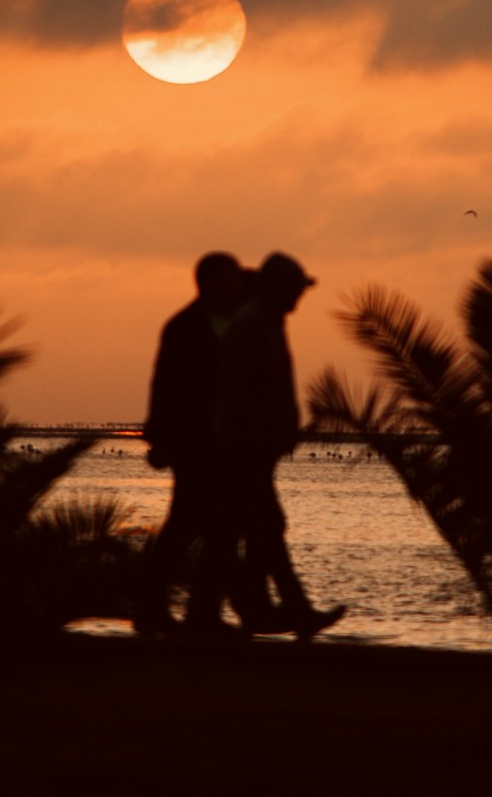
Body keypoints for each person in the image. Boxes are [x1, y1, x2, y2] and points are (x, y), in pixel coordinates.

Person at [214, 252, 345, 639]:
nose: (298, 298)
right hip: (244, 449)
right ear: (277, 289)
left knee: (252, 529)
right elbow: (243, 393)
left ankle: (257, 609)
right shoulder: (252, 326)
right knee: (264, 526)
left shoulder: (267, 324)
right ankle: (290, 611)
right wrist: (260, 434)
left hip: (256, 449)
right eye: (293, 289)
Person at [136, 251, 246, 635]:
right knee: (186, 524)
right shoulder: (185, 327)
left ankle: (202, 613)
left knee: (221, 528)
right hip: (193, 442)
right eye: (231, 278)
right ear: (212, 283)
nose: (238, 284)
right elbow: (164, 385)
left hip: (226, 441)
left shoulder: (236, 321)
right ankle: (153, 608)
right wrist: (161, 437)